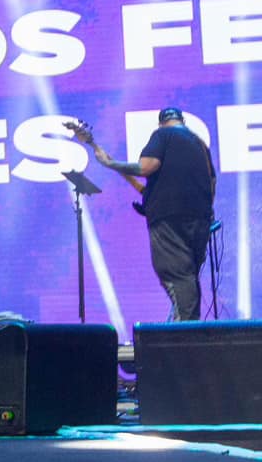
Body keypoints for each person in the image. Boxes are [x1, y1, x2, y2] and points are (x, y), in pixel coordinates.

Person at [87, 108, 217, 321]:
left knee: (177, 276)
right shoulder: (200, 144)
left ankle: (183, 336)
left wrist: (109, 163)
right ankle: (187, 328)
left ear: (160, 124)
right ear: (182, 121)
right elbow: (212, 182)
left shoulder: (162, 135)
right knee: (189, 277)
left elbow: (147, 167)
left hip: (168, 219)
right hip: (200, 219)